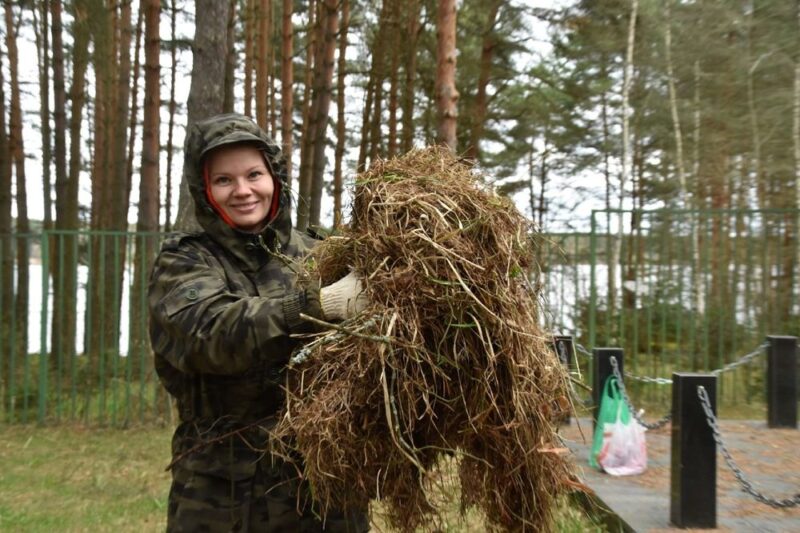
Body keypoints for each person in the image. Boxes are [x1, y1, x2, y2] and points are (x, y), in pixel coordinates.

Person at [148, 112, 369, 532]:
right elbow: (209, 333)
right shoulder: (185, 261)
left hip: (325, 490)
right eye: (224, 180)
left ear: (275, 177)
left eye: (254, 174)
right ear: (204, 190)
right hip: (224, 495)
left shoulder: (322, 254)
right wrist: (320, 304)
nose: (243, 191)